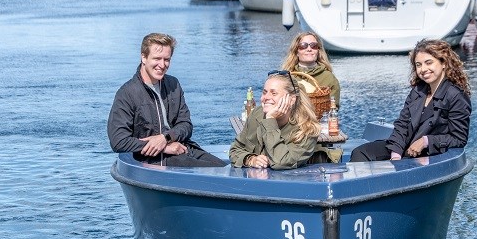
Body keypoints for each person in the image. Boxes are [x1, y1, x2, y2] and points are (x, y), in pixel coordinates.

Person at [107, 33, 226, 167]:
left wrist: (166, 138)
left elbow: (186, 125)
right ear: (144, 57)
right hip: (152, 160)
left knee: (224, 169)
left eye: (167, 59)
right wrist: (162, 147)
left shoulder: (173, 84)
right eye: (157, 59)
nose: (162, 65)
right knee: (216, 174)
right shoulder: (127, 93)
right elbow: (118, 141)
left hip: (182, 148)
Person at [350, 39, 471, 162]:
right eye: (418, 65)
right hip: (405, 148)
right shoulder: (418, 91)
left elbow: (459, 138)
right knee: (360, 153)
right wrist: (395, 154)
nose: (423, 69)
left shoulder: (456, 96)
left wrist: (426, 141)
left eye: (428, 63)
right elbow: (402, 124)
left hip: (429, 154)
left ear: (443, 63)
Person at [229, 70, 320, 170]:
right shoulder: (257, 114)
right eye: (264, 92)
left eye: (274, 93)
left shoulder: (307, 130)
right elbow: (235, 150)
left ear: (291, 99)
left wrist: (270, 120)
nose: (266, 97)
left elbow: (280, 162)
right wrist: (251, 159)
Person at [281, 32, 341, 108]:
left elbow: (333, 109)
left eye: (314, 46)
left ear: (318, 51)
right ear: (296, 52)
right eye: (303, 46)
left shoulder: (329, 78)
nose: (309, 49)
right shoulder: (287, 77)